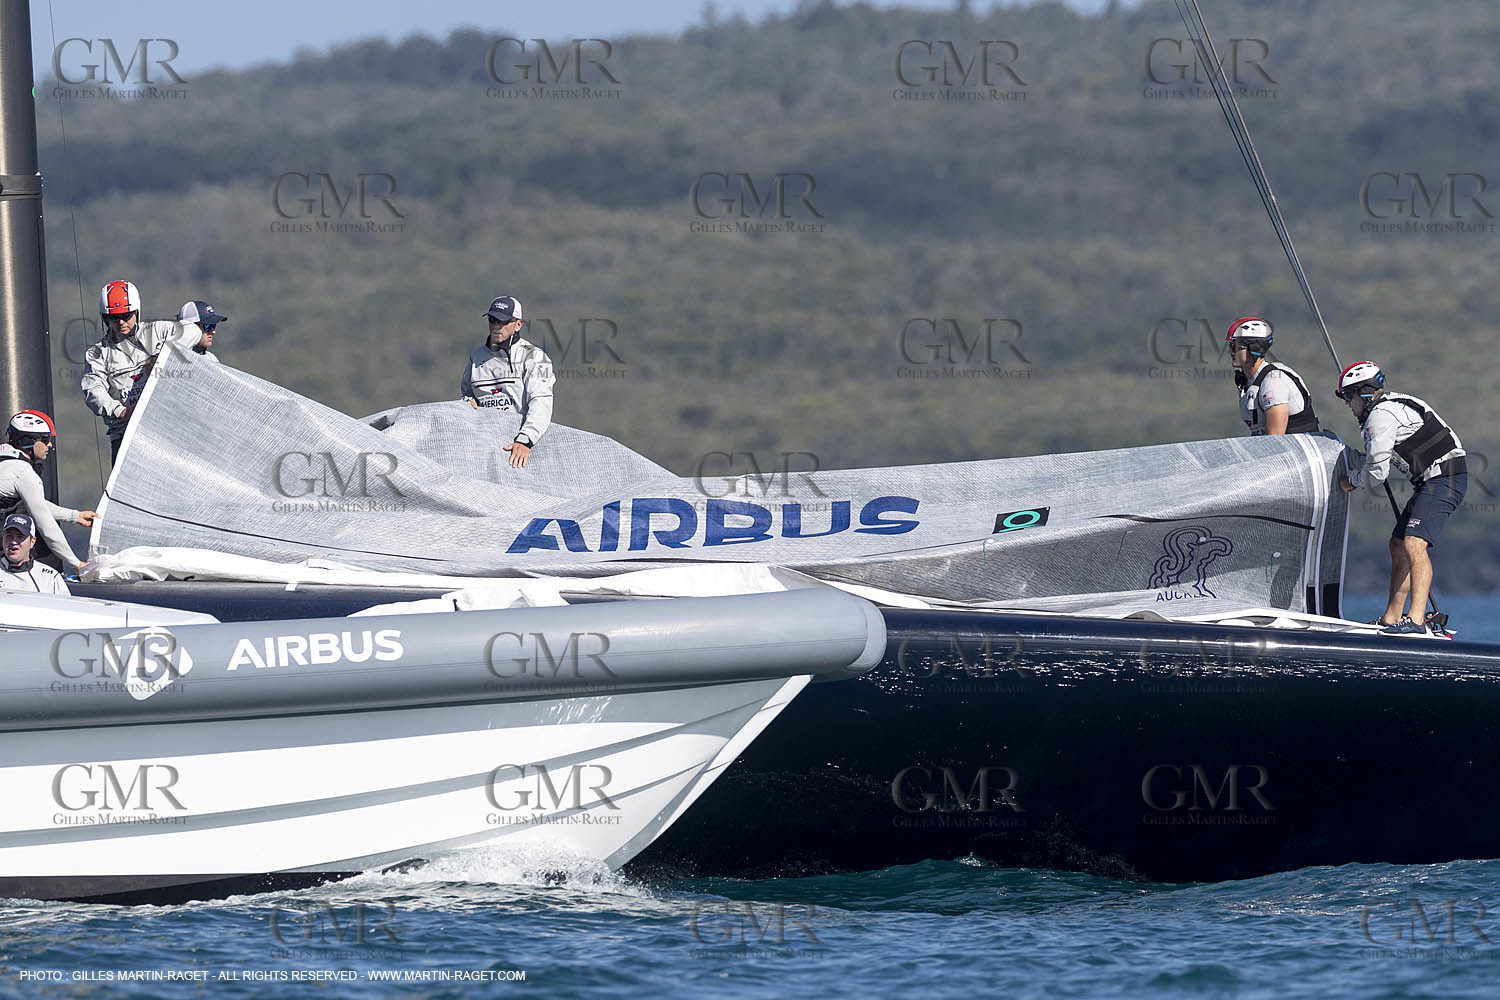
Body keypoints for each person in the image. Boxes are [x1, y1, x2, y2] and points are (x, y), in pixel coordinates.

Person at [1336, 361, 1466, 636]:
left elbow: (1376, 474)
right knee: (1397, 544)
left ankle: (1416, 621)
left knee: (1413, 543)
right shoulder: (1391, 406)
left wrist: (1351, 483)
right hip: (1433, 480)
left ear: (1365, 392)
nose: (1348, 404)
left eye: (1349, 396)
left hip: (1444, 477)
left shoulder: (1380, 416)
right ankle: (1391, 618)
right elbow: (1375, 459)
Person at [81, 279, 203, 462]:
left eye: (127, 315)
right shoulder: (97, 353)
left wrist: (162, 357)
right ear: (105, 318)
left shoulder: (156, 331)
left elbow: (192, 331)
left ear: (136, 312)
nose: (121, 322)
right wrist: (121, 411)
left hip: (164, 429)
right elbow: (93, 390)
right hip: (125, 435)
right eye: (115, 318)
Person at [460, 295, 556, 468]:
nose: (497, 326)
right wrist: (467, 403)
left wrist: (526, 439)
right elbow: (466, 395)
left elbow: (541, 401)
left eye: (503, 322)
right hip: (483, 449)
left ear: (518, 324)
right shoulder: (476, 357)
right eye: (492, 320)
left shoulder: (535, 357)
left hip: (521, 448)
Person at [0, 410, 94, 574]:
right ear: (27, 441)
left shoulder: (7, 459)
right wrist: (76, 564)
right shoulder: (23, 472)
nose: (50, 445)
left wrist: (75, 516)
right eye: (45, 439)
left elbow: (36, 504)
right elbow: (46, 525)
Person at [1226, 317, 1320, 435]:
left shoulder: (1274, 383)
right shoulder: (1248, 381)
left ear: (1253, 349)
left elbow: (1275, 442)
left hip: (1296, 452)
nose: (1229, 352)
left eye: (1234, 347)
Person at [0, 512, 71, 595]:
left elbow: (64, 606)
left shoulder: (50, 578)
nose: (13, 542)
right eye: (9, 536)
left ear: (32, 542)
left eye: (20, 537)